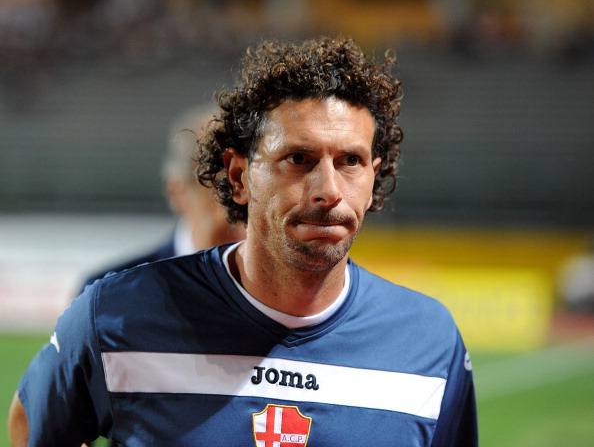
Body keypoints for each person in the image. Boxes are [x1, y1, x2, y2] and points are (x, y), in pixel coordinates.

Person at [9, 37, 477, 446]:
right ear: (238, 177)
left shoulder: (431, 341)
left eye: (350, 161)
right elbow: (29, 423)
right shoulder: (116, 314)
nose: (329, 190)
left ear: (374, 179)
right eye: (298, 159)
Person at [81, 106, 245, 289]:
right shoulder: (112, 293)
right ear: (178, 192)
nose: (243, 207)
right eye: (224, 189)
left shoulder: (270, 288)